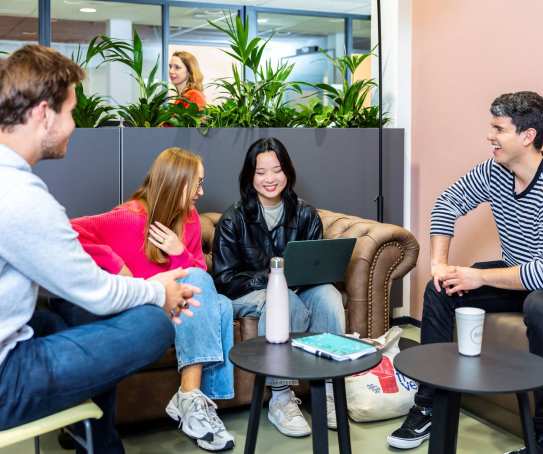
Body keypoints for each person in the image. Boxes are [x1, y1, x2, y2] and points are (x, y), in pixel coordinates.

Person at [0, 45, 200, 454]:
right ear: (43, 114)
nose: (75, 124)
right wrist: (158, 291)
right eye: (72, 111)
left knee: (75, 316)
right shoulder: (19, 195)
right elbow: (98, 289)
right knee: (152, 324)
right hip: (7, 379)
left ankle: (95, 441)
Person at [386, 91, 543, 454]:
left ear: (527, 136)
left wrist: (481, 277)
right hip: (522, 275)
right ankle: (428, 406)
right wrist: (441, 265)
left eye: (498, 128)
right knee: (442, 288)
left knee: (539, 305)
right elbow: (448, 202)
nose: (490, 136)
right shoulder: (495, 171)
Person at [70, 147, 235, 451]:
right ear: (176, 182)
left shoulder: (191, 219)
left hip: (182, 305)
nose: (202, 191)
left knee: (222, 304)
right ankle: (192, 403)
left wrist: (177, 251)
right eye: (196, 183)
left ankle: (197, 404)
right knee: (211, 296)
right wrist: (117, 265)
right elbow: (70, 230)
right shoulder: (129, 216)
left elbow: (200, 276)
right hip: (146, 307)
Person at [212, 137, 346, 437]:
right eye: (261, 172)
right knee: (283, 300)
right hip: (246, 294)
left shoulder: (306, 214)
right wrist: (273, 278)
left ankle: (326, 389)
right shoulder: (233, 219)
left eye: (277, 170)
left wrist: (296, 278)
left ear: (288, 172)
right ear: (250, 176)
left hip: (296, 288)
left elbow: (316, 268)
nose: (270, 179)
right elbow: (224, 280)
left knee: (328, 295)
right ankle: (281, 396)